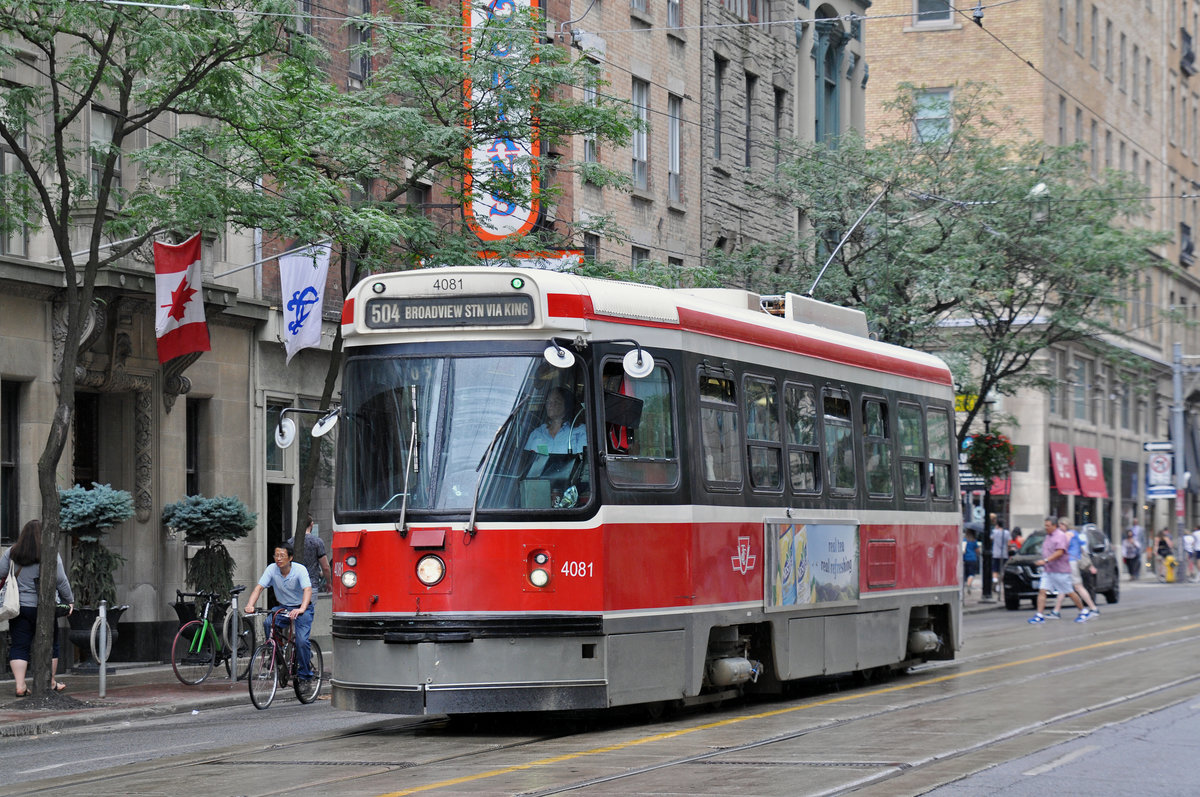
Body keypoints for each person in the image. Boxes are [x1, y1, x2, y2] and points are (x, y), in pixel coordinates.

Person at [0, 519, 74, 696]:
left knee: (19, 645)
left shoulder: (12, 552)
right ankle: (51, 682)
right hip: (45, 607)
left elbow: (1, 573)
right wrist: (69, 600)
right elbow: (61, 580)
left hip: (19, 607)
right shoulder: (50, 552)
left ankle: (20, 686)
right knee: (51, 644)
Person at [244, 542, 315, 683]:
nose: (279, 559)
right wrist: (250, 605)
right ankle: (275, 655)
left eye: (282, 555)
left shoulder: (300, 570)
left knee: (301, 641)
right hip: (284, 607)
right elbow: (259, 588)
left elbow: (307, 589)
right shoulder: (272, 569)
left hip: (302, 608)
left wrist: (301, 608)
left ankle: (305, 676)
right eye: (276, 555)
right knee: (268, 623)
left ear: (290, 558)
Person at [1029, 515, 1087, 624]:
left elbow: (1060, 552)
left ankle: (1083, 611)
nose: (1046, 528)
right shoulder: (1048, 536)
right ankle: (1039, 615)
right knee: (1042, 590)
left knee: (1069, 592)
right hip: (1048, 570)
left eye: (1048, 526)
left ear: (1054, 526)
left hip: (1060, 570)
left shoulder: (1060, 536)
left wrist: (1045, 560)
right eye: (1045, 525)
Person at [525, 386, 587, 457]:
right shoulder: (537, 433)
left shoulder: (580, 431)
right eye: (548, 401)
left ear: (567, 405)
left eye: (556, 402)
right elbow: (525, 459)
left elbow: (582, 460)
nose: (550, 405)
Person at [1062, 520, 1099, 618]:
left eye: (1061, 525)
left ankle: (1092, 608)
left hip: (1071, 562)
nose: (1059, 528)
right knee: (1064, 587)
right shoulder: (1076, 534)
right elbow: (1082, 549)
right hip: (1072, 562)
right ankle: (1056, 610)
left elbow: (1063, 547)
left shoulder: (1069, 534)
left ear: (1065, 525)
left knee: (1078, 586)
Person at [287, 514, 331, 593]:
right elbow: (325, 567)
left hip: (294, 585)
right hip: (311, 584)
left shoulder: (290, 542)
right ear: (312, 524)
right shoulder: (317, 542)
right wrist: (328, 582)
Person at [991, 518, 1011, 593]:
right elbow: (1009, 543)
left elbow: (991, 539)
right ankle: (998, 586)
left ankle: (994, 580)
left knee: (995, 570)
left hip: (995, 553)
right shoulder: (1007, 533)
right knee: (1002, 571)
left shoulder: (994, 532)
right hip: (1004, 554)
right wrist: (1008, 550)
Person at [962, 528, 979, 595]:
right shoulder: (974, 541)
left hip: (966, 558)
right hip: (973, 558)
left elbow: (963, 550)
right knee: (971, 573)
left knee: (966, 573)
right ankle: (969, 584)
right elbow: (977, 550)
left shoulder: (964, 540)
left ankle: (967, 583)